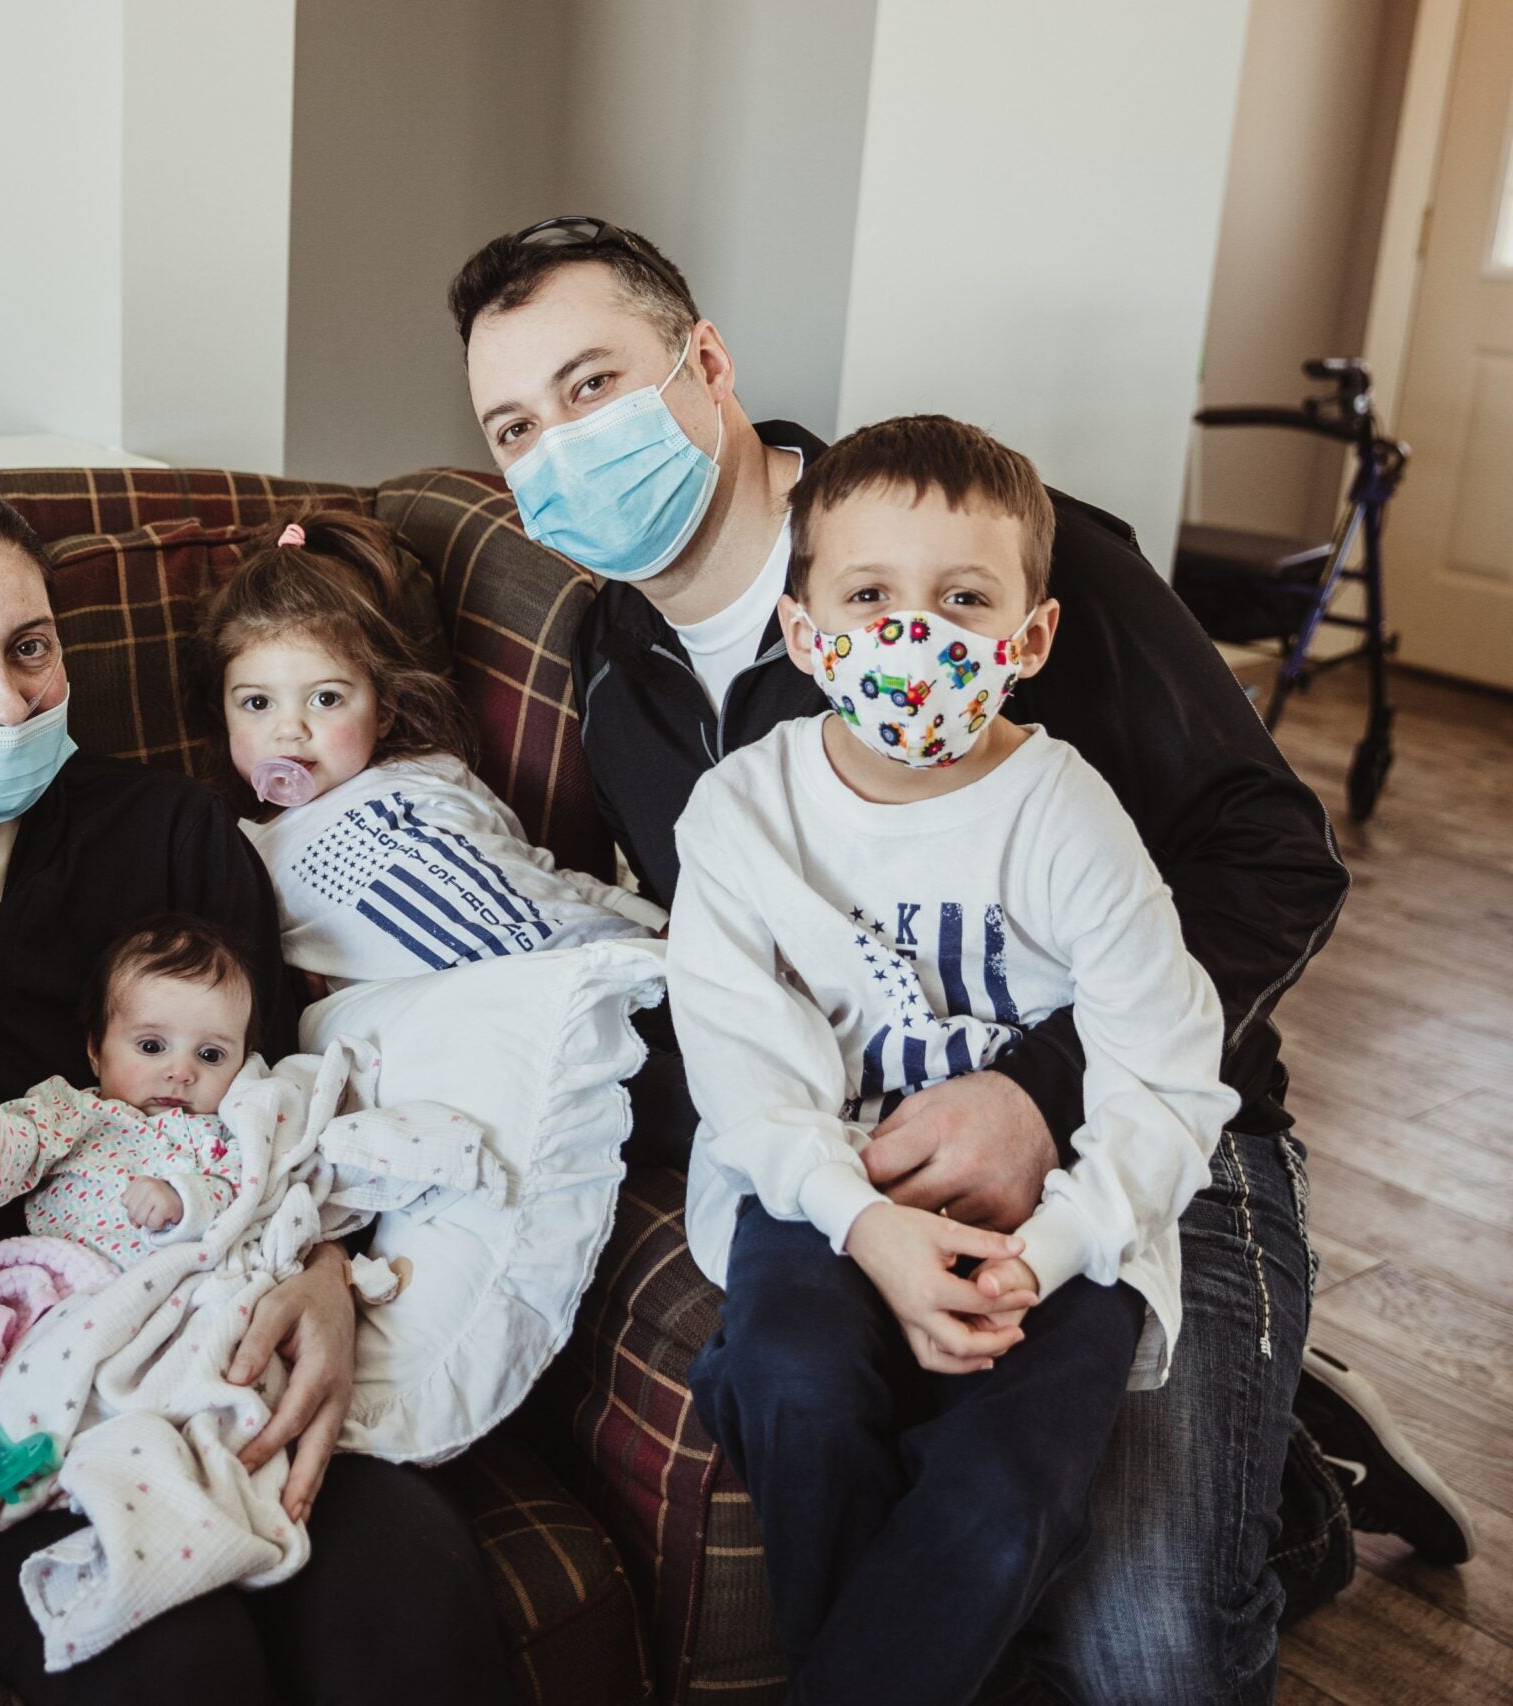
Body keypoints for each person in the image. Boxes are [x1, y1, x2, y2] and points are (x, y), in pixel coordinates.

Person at [448, 215, 1473, 1702]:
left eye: (593, 383)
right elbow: (756, 981)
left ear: (708, 365)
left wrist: (1036, 1090)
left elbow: (1276, 854)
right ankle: (1260, 1430)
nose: (563, 448)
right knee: (846, 1442)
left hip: (1159, 1121)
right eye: (517, 426)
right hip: (874, 1160)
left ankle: (1287, 1476)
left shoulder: (977, 564)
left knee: (1148, 1653)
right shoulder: (622, 681)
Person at [0, 476, 514, 1706]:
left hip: (197, 1339)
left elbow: (285, 1108)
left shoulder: (170, 836)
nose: (4, 697)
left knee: (410, 1602)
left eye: (29, 647)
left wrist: (321, 1280)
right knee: (175, 1660)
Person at [673, 415, 1240, 1704]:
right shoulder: (742, 814)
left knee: (998, 1502)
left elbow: (1168, 1069)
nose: (909, 633)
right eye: (868, 595)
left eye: (962, 599)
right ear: (805, 631)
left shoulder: (1068, 814)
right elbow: (747, 1078)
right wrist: (863, 1226)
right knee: (793, 1390)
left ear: (1026, 638)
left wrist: (1039, 1257)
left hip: (1052, 1223)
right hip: (827, 1189)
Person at [195, 510, 662, 988]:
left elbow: (543, 871)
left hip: (588, 956)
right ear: (224, 715)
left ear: (383, 710)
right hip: (460, 1010)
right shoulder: (242, 854)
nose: (290, 729)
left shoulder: (433, 773)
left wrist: (658, 926)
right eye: (257, 703)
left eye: (326, 698)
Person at [0, 914, 262, 1264]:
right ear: (95, 1052)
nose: (181, 1072)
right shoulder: (72, 1111)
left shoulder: (236, 1128)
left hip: (187, 1284)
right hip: (71, 1281)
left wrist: (185, 1200)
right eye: (151, 1047)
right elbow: (25, 1139)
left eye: (211, 1054)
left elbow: (248, 1195)